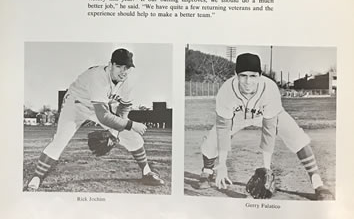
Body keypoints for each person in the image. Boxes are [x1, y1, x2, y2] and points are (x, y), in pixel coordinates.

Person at [196, 53, 333, 200]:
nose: (248, 81)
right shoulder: (226, 91)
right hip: (238, 116)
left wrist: (267, 169)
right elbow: (223, 130)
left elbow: (269, 131)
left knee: (296, 135)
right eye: (243, 75)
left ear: (260, 75)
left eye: (253, 76)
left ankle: (317, 182)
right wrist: (222, 164)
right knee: (212, 140)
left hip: (267, 114)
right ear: (236, 75)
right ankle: (208, 171)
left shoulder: (269, 89)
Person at [26, 48, 164, 191]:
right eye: (119, 66)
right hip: (76, 104)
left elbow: (124, 108)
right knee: (60, 139)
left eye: (127, 67)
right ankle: (36, 178)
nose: (123, 71)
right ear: (110, 65)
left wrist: (115, 134)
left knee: (131, 136)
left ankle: (146, 172)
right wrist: (131, 124)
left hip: (100, 106)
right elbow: (103, 117)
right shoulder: (98, 77)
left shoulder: (128, 81)